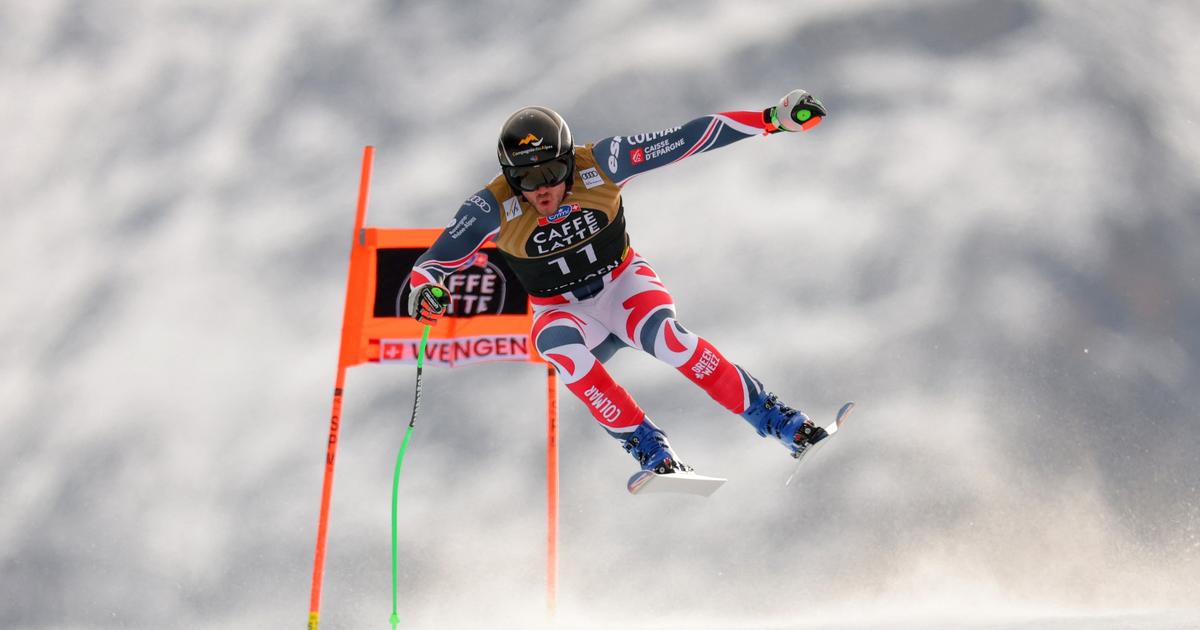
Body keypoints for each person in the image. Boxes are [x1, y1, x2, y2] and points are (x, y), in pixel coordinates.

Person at [407, 89, 829, 475]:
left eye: (553, 171)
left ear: (570, 159)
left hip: (622, 284)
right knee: (559, 351)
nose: (542, 189)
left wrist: (771, 119)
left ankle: (782, 422)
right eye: (526, 180)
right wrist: (424, 290)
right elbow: (433, 262)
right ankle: (651, 449)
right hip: (562, 309)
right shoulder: (491, 205)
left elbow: (686, 139)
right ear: (509, 176)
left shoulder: (603, 162)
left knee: (671, 341)